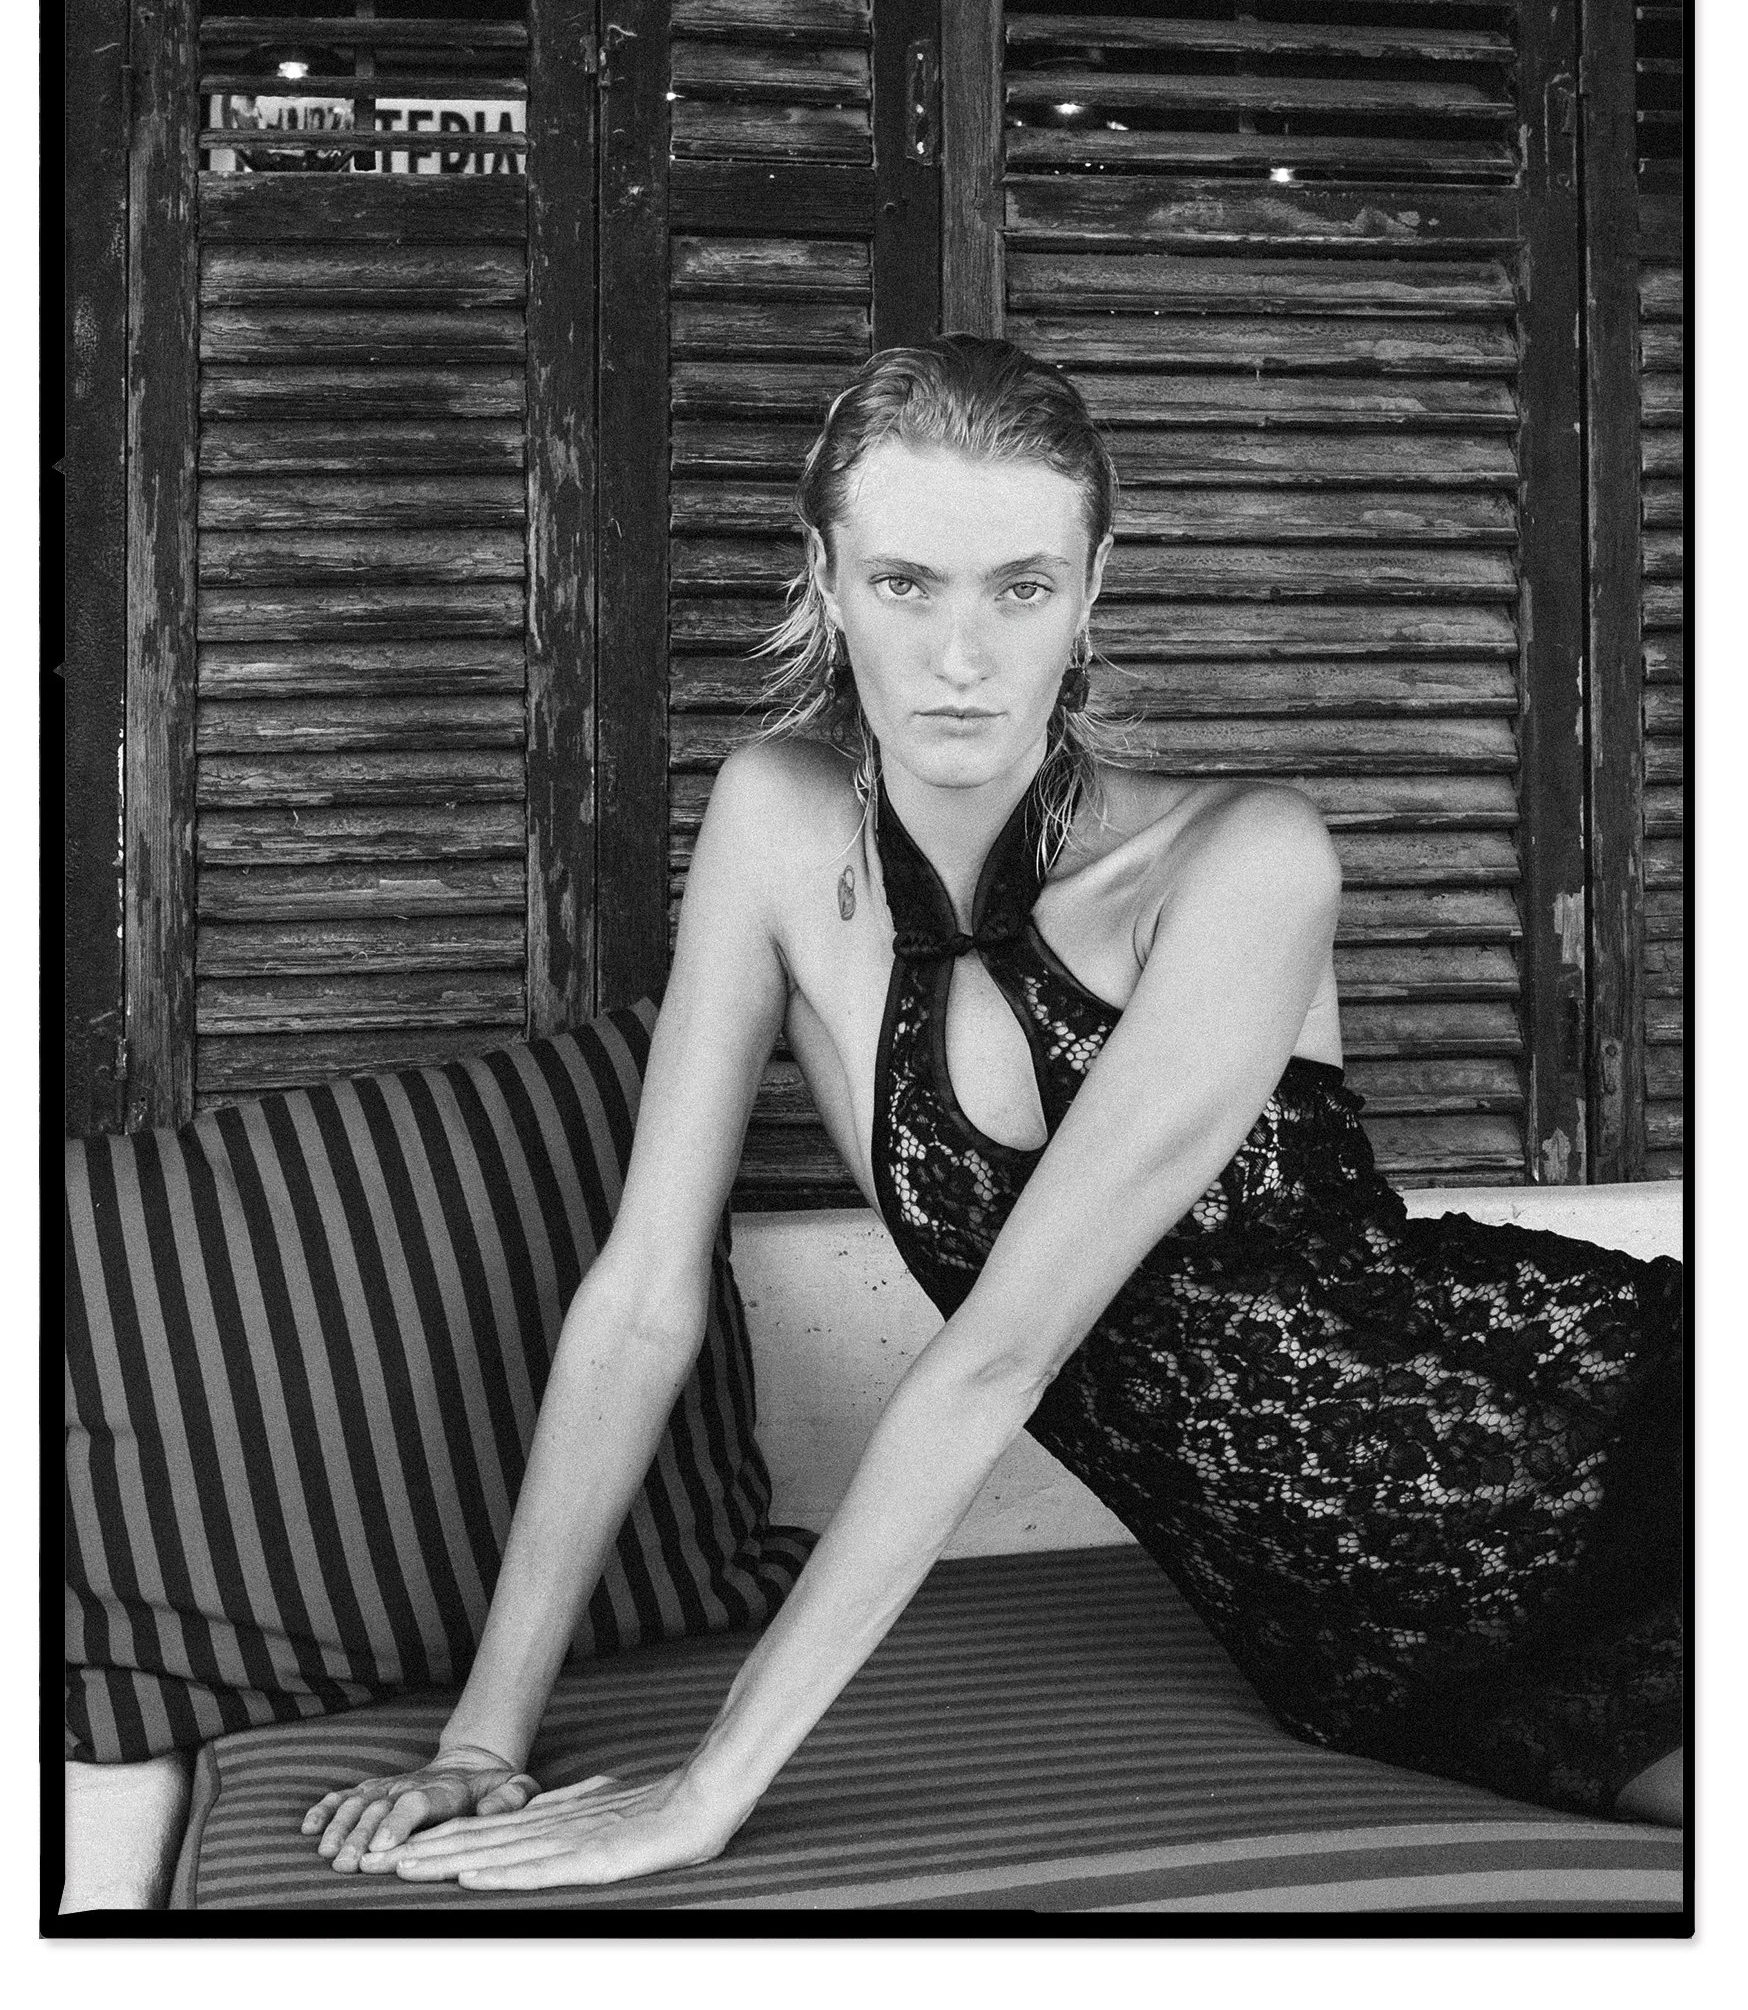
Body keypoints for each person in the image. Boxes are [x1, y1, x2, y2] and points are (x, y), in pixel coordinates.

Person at [303, 337, 1685, 1891]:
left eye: (1019, 589)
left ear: (1093, 591)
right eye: (907, 585)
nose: (962, 656)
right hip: (1350, 1658)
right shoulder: (770, 821)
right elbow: (640, 1297)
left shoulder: (1247, 859)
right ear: (825, 579)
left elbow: (1001, 1355)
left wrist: (706, 1795)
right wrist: (484, 1742)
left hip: (1612, 1455)